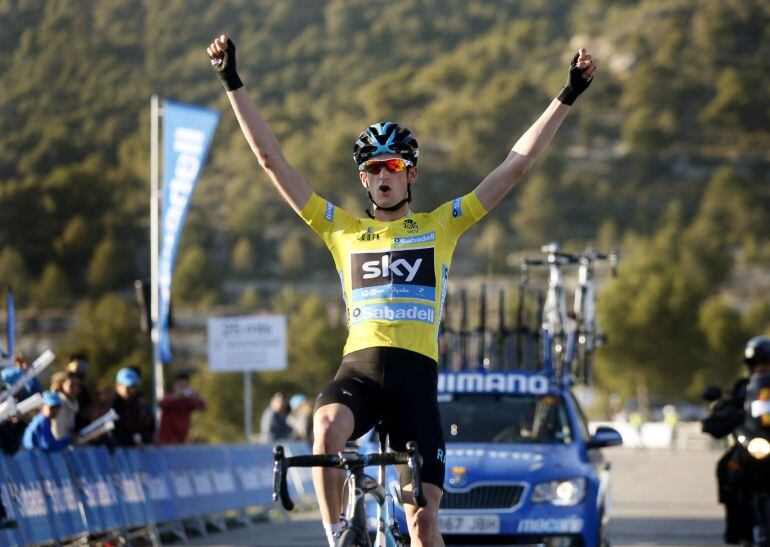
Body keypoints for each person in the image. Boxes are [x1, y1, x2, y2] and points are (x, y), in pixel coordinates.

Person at [207, 34, 596, 547]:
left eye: (392, 166)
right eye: (372, 168)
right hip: (360, 371)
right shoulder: (340, 229)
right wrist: (231, 80)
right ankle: (338, 531)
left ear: (410, 174)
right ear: (364, 181)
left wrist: (566, 93)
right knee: (325, 430)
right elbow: (270, 159)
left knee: (423, 524)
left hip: (415, 383)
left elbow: (515, 165)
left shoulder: (442, 226)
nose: (382, 175)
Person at [703, 335, 770, 544]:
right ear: (750, 366)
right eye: (759, 365)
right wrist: (722, 409)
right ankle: (736, 528)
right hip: (754, 440)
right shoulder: (743, 387)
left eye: (767, 365)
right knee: (727, 468)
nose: (763, 369)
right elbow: (727, 403)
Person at [157, 372, 206, 445]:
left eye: (184, 386)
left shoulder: (188, 401)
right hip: (166, 440)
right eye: (180, 386)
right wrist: (177, 397)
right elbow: (161, 404)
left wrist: (197, 396)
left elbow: (202, 407)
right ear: (175, 385)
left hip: (181, 440)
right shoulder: (169, 398)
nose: (182, 388)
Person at [111, 367, 154, 447]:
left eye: (133, 387)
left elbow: (138, 427)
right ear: (118, 386)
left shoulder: (136, 404)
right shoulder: (113, 405)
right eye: (127, 387)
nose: (130, 390)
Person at [50, 371, 81, 440]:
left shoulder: (71, 406)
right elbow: (58, 436)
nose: (75, 389)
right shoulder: (58, 406)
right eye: (71, 385)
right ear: (61, 385)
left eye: (78, 385)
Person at [66, 354, 93, 432]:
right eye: (77, 367)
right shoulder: (60, 389)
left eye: (83, 367)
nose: (80, 371)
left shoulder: (85, 390)